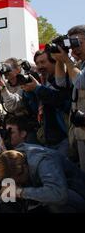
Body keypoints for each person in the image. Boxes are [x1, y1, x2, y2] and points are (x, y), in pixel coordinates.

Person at [0, 146, 85, 213]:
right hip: (59, 191)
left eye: (17, 181)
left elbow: (59, 194)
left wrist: (19, 192)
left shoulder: (44, 162)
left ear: (23, 169)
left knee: (53, 202)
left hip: (77, 193)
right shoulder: (12, 159)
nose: (15, 184)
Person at [52, 25, 85, 171]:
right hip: (79, 129)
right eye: (71, 45)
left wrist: (66, 59)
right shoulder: (79, 65)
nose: (74, 49)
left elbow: (80, 82)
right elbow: (61, 82)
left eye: (77, 43)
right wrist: (60, 59)